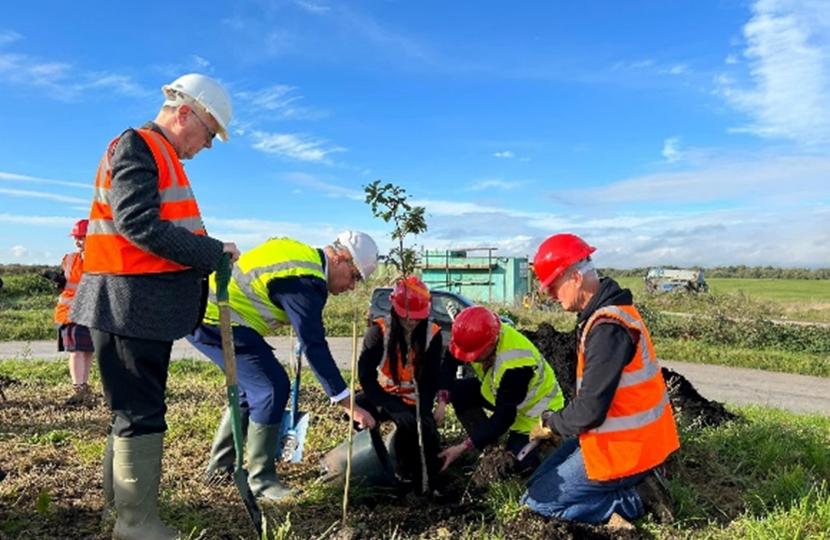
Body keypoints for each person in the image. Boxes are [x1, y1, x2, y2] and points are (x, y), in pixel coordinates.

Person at [70, 73, 240, 540]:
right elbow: (137, 225)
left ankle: (119, 514)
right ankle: (136, 523)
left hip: (139, 304)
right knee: (140, 413)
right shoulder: (138, 146)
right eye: (209, 133)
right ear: (185, 113)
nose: (207, 146)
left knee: (133, 410)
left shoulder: (162, 155)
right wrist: (211, 252)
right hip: (127, 303)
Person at [187, 231, 380, 502]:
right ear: (338, 258)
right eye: (355, 276)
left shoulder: (302, 260)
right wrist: (349, 404)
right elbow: (315, 346)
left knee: (250, 391)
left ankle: (219, 468)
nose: (352, 286)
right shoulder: (305, 279)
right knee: (271, 387)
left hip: (207, 312)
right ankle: (261, 482)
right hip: (216, 317)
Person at [521, 233, 679, 525]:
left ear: (575, 278)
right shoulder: (602, 315)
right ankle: (634, 484)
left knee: (536, 506)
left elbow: (590, 410)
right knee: (537, 483)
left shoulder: (608, 328)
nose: (552, 296)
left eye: (553, 286)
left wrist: (552, 422)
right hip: (619, 439)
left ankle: (637, 497)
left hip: (629, 449)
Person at [436, 306, 565, 473]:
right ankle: (487, 449)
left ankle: (548, 449)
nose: (470, 360)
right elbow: (450, 363)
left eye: (475, 355)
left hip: (534, 415)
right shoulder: (476, 334)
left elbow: (504, 418)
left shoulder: (516, 364)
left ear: (490, 345)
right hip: (498, 395)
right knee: (460, 391)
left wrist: (462, 447)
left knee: (515, 467)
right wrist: (442, 402)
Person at [356, 276, 443, 490]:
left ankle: (416, 475)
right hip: (381, 395)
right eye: (407, 317)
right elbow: (366, 377)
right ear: (395, 310)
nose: (412, 322)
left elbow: (431, 378)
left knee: (424, 431)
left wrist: (424, 411)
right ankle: (371, 467)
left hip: (414, 398)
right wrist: (390, 406)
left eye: (417, 317)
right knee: (359, 409)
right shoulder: (378, 331)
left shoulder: (433, 334)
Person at [53, 219, 95, 406]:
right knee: (77, 351)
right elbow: (68, 282)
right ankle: (78, 387)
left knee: (87, 351)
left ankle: (84, 386)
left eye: (82, 237)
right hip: (70, 313)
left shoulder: (100, 258)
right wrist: (58, 280)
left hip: (91, 312)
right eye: (76, 238)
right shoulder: (69, 259)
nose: (78, 241)